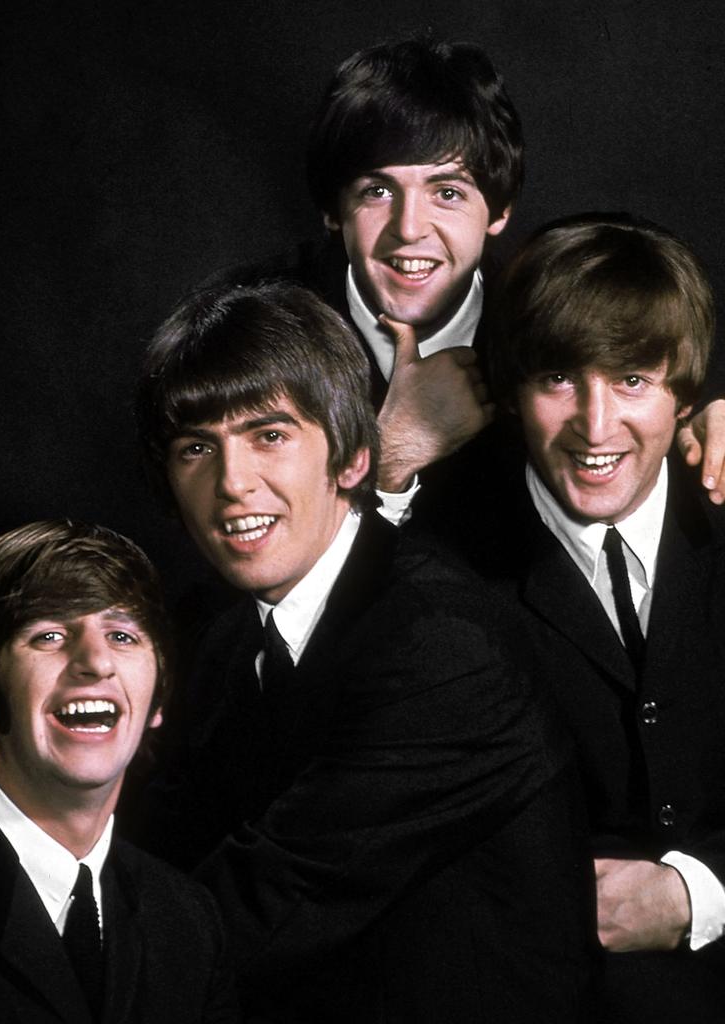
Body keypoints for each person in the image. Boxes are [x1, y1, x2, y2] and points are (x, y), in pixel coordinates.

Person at [133, 280, 595, 1023]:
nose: (232, 484)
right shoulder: (225, 642)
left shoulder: (440, 645)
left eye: (269, 435)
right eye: (197, 448)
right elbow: (161, 849)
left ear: (352, 458)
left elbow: (266, 904)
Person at [216, 36, 725, 513]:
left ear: (499, 211)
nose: (409, 228)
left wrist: (700, 430)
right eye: (377, 191)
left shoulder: (549, 313)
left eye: (448, 192)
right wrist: (391, 451)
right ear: (333, 209)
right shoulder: (242, 330)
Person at [435, 213, 725, 1022]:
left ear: (686, 391)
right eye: (559, 379)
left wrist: (696, 892)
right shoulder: (439, 558)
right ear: (511, 390)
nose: (596, 429)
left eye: (632, 379)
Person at [0, 520, 239, 1023]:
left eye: (122, 635)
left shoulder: (189, 923)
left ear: (158, 702)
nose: (95, 662)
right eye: (48, 635)